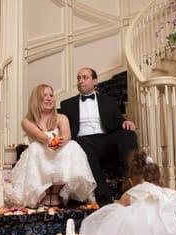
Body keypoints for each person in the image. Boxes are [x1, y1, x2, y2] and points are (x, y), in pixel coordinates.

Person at [4, 84, 96, 208]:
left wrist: (61, 140)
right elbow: (37, 134)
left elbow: (66, 134)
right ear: (36, 100)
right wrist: (49, 140)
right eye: (44, 96)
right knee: (35, 148)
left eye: (51, 95)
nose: (49, 98)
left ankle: (57, 193)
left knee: (73, 145)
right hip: (41, 152)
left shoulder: (61, 117)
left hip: (59, 151)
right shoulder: (27, 121)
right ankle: (44, 194)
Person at [59, 67, 138, 205]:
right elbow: (63, 127)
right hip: (83, 141)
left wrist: (127, 122)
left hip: (105, 140)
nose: (80, 81)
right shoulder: (67, 104)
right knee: (79, 142)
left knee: (128, 135)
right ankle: (103, 195)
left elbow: (119, 122)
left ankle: (133, 183)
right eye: (78, 78)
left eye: (85, 77)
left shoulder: (108, 101)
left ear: (95, 80)